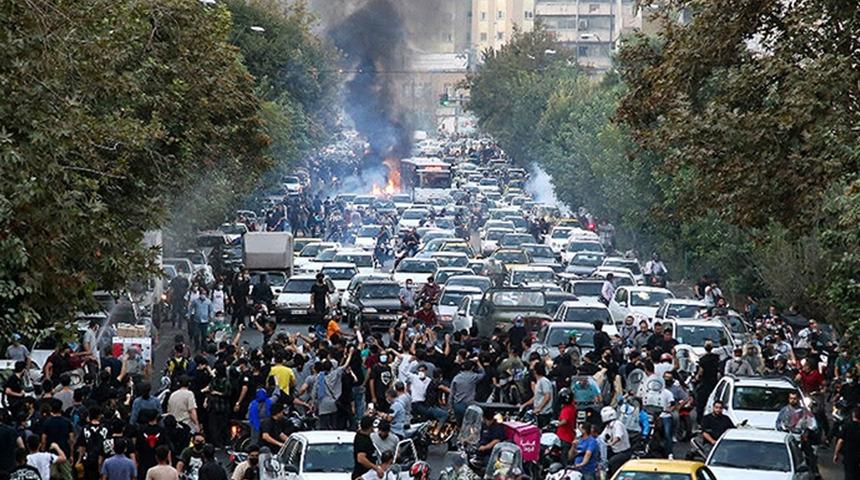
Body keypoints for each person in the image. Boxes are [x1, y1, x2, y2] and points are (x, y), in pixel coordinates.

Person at [519, 363, 554, 427]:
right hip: (538, 413)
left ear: (535, 371)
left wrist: (539, 408)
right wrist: (524, 405)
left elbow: (547, 396)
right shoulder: (538, 382)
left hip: (544, 413)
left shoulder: (544, 381)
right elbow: (536, 397)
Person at [600, 406, 631, 477]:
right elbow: (601, 437)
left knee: (612, 462)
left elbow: (618, 437)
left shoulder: (617, 424)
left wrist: (611, 444)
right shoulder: (608, 426)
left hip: (624, 452)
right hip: (614, 451)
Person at [833, 407, 860, 480]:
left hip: (849, 455)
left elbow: (840, 441)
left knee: (849, 474)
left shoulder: (846, 426)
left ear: (853, 415)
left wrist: (836, 454)